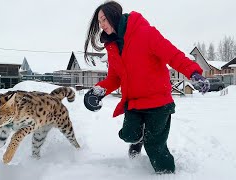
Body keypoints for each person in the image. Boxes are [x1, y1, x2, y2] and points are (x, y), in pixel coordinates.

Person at [83, 0, 210, 174]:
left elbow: (172, 55)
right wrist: (97, 91)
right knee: (128, 135)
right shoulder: (112, 47)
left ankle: (166, 174)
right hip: (134, 103)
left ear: (114, 15)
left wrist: (194, 73)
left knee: (155, 146)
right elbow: (114, 78)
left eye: (103, 19)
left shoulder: (145, 33)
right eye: (99, 22)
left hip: (158, 103)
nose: (101, 25)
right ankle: (139, 139)